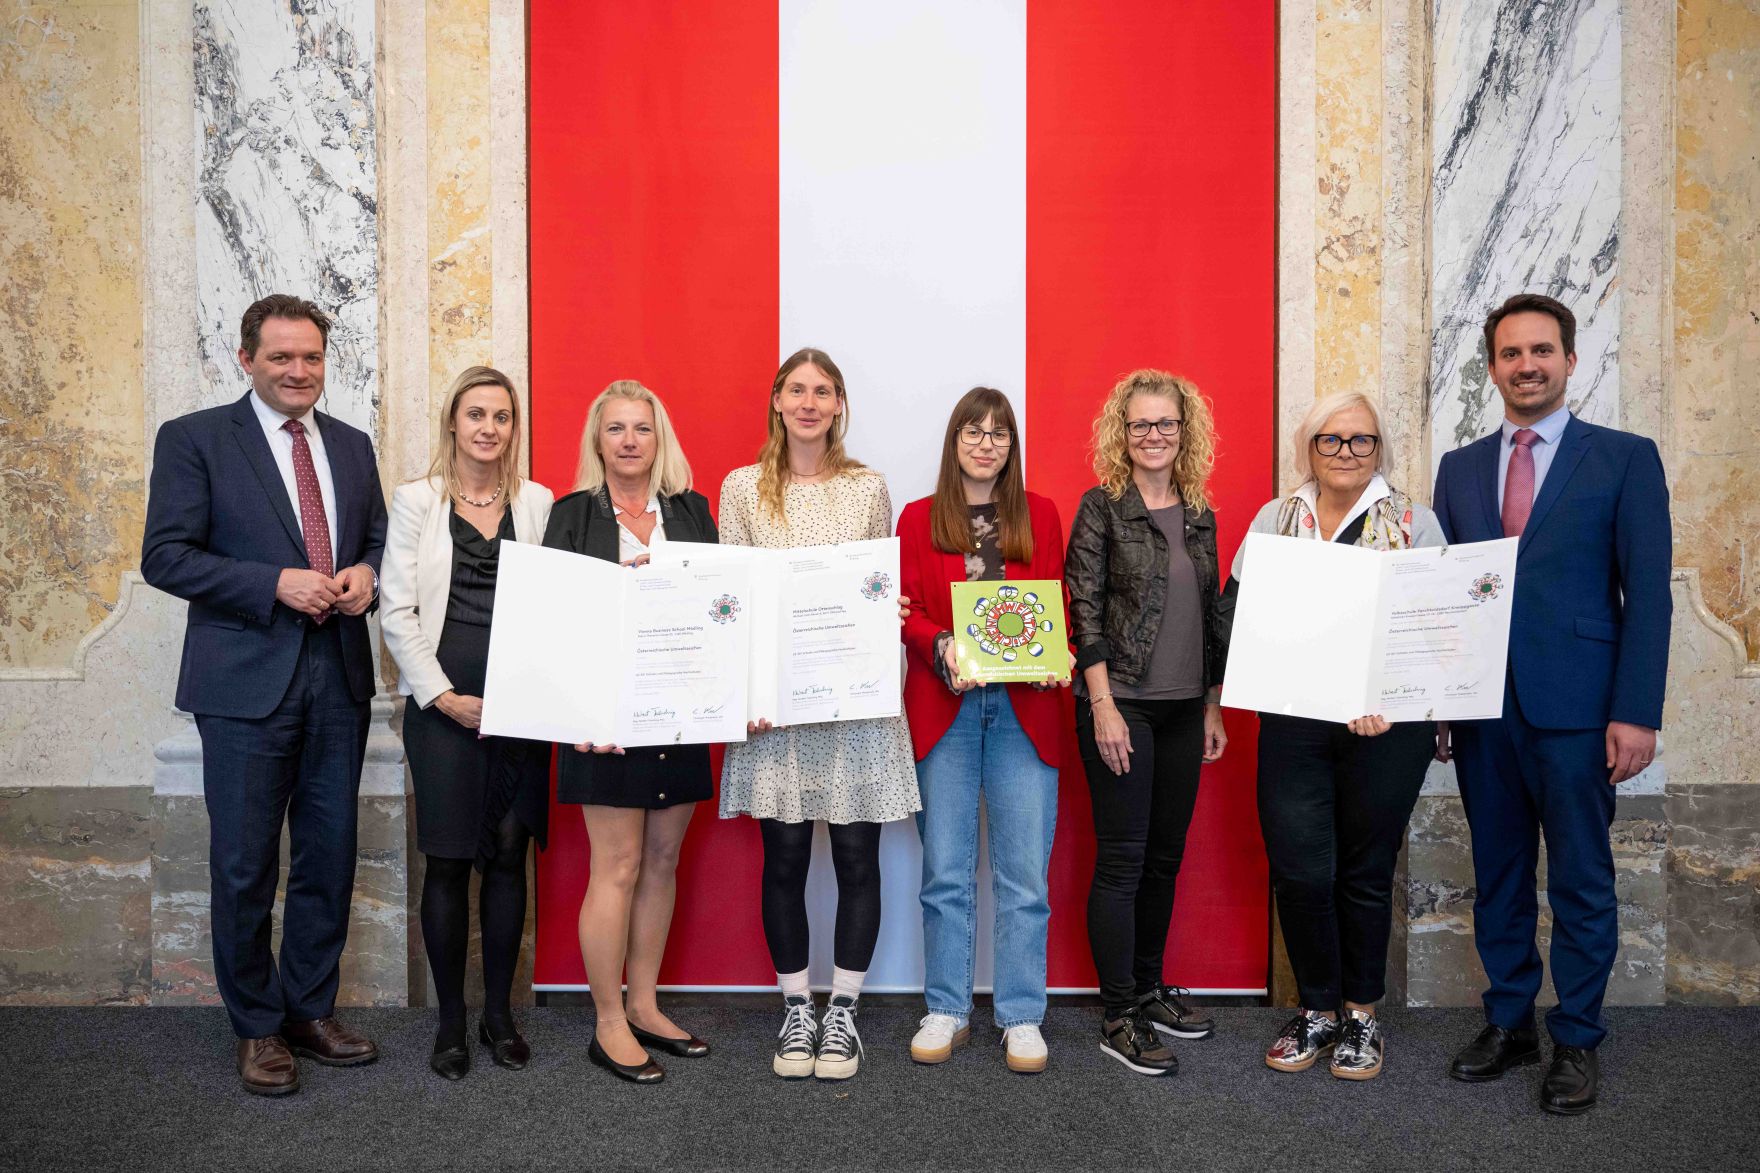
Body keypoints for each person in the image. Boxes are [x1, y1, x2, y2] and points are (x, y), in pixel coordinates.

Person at [141, 294, 388, 1095]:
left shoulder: (351, 446)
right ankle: (255, 1025)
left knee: (328, 857)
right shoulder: (195, 440)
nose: (298, 371)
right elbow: (166, 556)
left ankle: (308, 1010)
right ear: (245, 358)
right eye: (281, 357)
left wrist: (367, 575)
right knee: (245, 864)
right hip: (245, 683)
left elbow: (376, 535)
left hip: (339, 679)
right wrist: (271, 582)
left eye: (311, 357)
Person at [1432, 293, 1671, 1115]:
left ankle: (1576, 1036)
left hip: (1579, 712)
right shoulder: (1458, 469)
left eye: (1541, 350)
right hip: (1481, 710)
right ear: (1491, 367)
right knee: (1496, 875)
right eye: (1509, 353)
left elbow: (1649, 597)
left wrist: (1637, 711)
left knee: (1579, 878)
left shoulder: (1625, 458)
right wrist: (1434, 698)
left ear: (1570, 359)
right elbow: (1444, 596)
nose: (1525, 365)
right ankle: (1510, 1021)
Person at [1226, 391, 1445, 1080]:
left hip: (1385, 730)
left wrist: (1388, 694)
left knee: (1364, 872)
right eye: (1332, 439)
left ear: (1379, 449)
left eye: (1361, 440)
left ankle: (1361, 1016)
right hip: (1293, 724)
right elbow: (1239, 615)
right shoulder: (1274, 518)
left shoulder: (1415, 521)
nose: (1347, 452)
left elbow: (1434, 627)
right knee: (1299, 869)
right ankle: (1317, 1008)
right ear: (1308, 447)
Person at [718, 348, 921, 1081]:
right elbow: (729, 600)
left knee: (859, 859)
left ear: (839, 405)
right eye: (796, 389)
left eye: (823, 391)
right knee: (786, 860)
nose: (809, 402)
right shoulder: (741, 489)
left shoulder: (868, 486)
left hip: (852, 705)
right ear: (776, 399)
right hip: (779, 709)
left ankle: (845, 1012)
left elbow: (877, 582)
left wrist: (887, 604)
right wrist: (744, 693)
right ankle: (797, 1006)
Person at [379, 365, 554, 1080]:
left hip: (523, 709)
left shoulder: (539, 503)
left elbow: (558, 605)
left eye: (502, 416)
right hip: (443, 709)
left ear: (514, 428)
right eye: (476, 413)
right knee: (448, 861)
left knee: (511, 857)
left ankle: (499, 1016)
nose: (489, 427)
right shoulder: (416, 501)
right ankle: (451, 1021)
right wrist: (442, 694)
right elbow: (395, 610)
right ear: (453, 422)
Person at [543, 380, 720, 1085]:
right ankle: (607, 1020)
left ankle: (645, 1005)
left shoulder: (693, 512)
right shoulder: (571, 516)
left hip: (682, 710)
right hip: (603, 719)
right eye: (614, 428)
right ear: (598, 440)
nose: (628, 440)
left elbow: (721, 608)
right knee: (614, 865)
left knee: (662, 860)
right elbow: (554, 618)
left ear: (658, 437)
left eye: (640, 428)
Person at [898, 388, 1069, 1075]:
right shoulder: (917, 518)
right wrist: (938, 642)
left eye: (999, 433)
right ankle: (946, 1007)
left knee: (1024, 874)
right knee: (945, 872)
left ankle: (1022, 1015)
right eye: (974, 430)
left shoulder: (1042, 514)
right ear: (955, 440)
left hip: (1026, 711)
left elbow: (1058, 603)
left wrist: (1057, 652)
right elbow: (905, 613)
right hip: (948, 710)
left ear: (1011, 445)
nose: (987, 442)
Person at [1065, 368, 1228, 1077]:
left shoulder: (1201, 513)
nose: (1154, 436)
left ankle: (1152, 986)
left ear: (1184, 432)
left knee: (1165, 857)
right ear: (1121, 434)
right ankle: (1119, 1012)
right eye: (1141, 425)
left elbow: (1213, 614)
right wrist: (1102, 704)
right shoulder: (1101, 507)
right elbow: (1084, 610)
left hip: (1185, 708)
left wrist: (1213, 703)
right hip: (1121, 705)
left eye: (1166, 424)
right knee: (1124, 860)